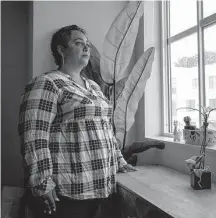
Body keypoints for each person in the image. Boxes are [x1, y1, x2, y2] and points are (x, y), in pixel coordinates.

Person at [18, 25, 136, 218]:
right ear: (61, 50)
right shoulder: (48, 82)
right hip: (67, 191)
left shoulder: (95, 87)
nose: (86, 48)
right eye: (78, 43)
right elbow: (33, 136)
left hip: (101, 186)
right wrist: (42, 182)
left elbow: (106, 130)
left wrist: (119, 161)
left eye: (87, 44)